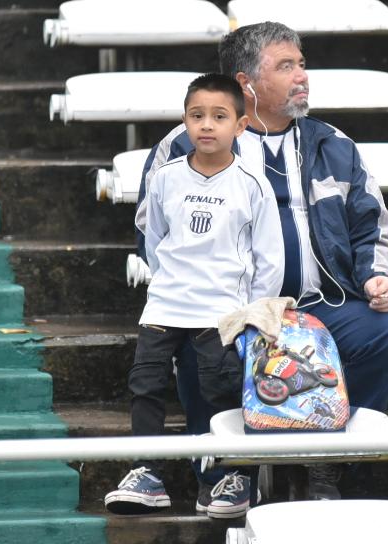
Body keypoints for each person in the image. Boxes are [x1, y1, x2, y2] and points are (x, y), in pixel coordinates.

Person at [136, 22, 388, 503]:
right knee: (205, 343)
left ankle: (328, 461)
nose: (302, 76)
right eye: (286, 66)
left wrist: (376, 277)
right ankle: (224, 475)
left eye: (301, 64)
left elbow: (373, 225)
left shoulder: (334, 144)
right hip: (227, 306)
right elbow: (151, 231)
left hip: (322, 304)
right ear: (246, 83)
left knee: (387, 336)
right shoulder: (185, 144)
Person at [105, 73, 284, 518]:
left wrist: (250, 313)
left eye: (219, 117)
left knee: (217, 393)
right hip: (165, 306)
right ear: (184, 121)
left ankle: (228, 476)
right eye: (197, 116)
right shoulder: (165, 178)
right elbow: (154, 238)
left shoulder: (252, 183)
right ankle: (147, 473)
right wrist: (172, 284)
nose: (207, 125)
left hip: (221, 313)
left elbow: (270, 258)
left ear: (240, 126)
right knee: (145, 387)